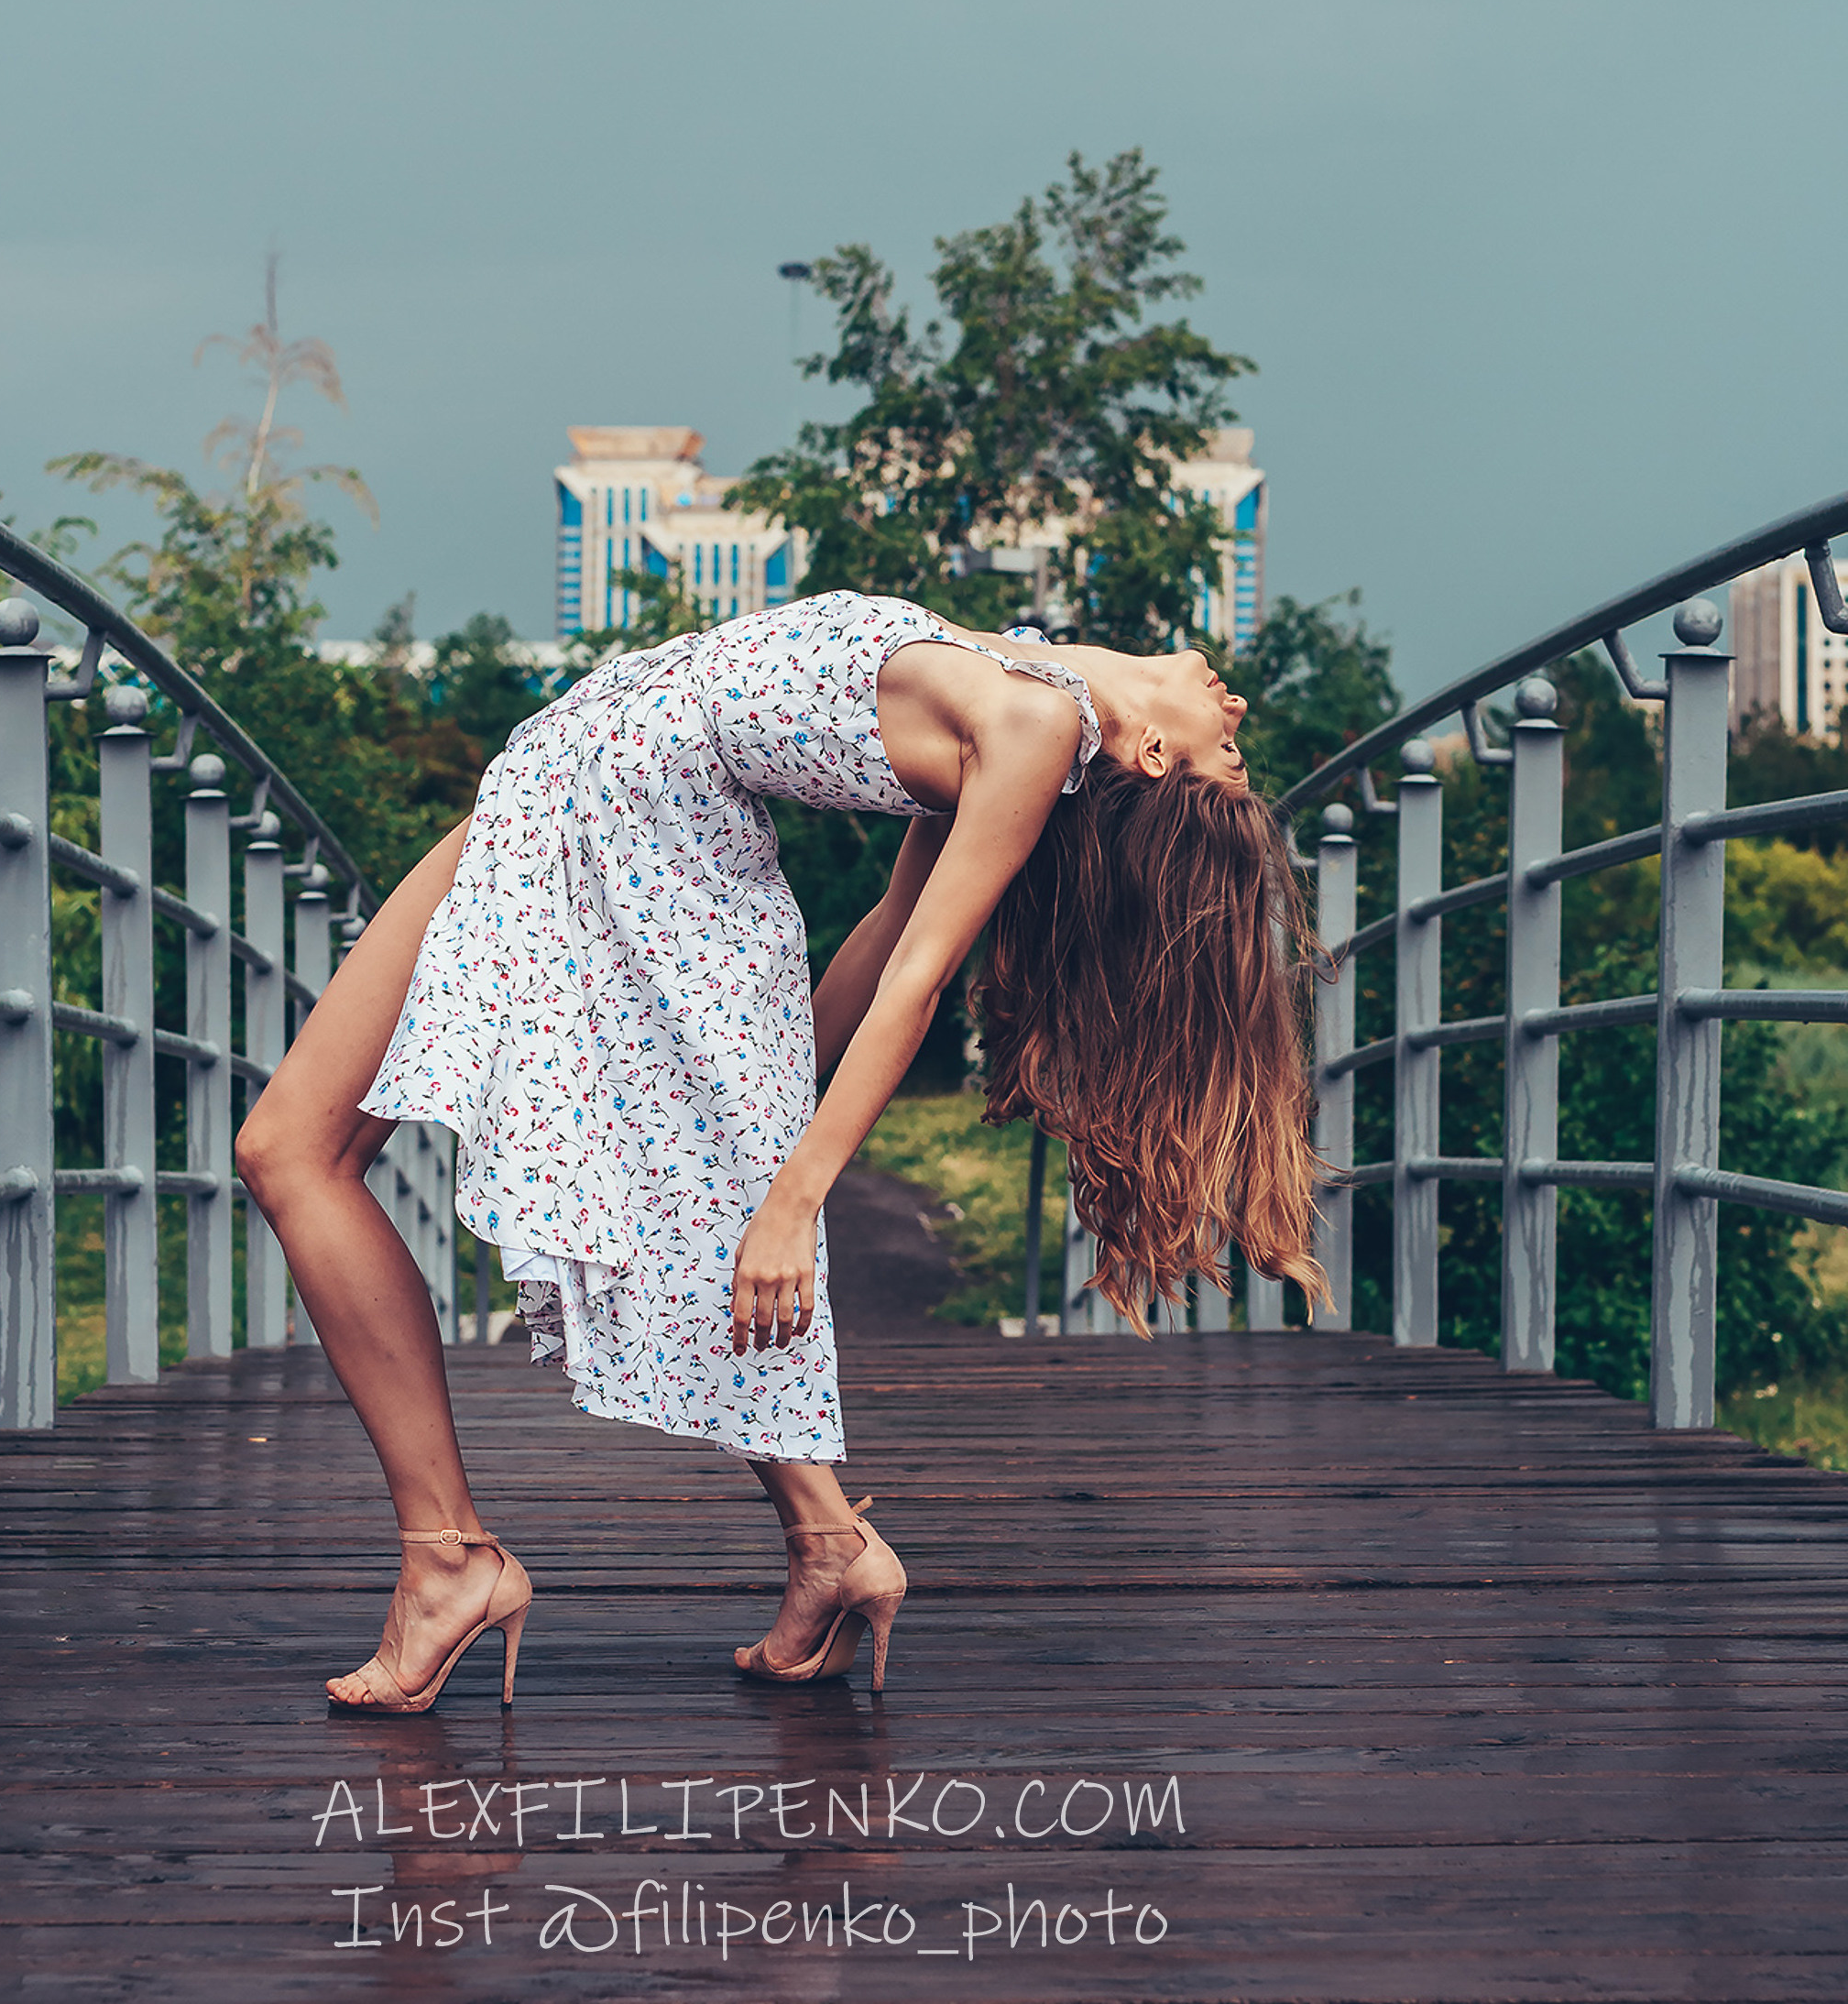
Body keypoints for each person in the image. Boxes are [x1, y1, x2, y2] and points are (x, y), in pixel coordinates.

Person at [235, 588, 1324, 1714]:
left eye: (1230, 747)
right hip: (601, 786)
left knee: (293, 1149)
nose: (1235, 702)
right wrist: (743, 1138)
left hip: (626, 829)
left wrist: (788, 1198)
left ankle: (450, 1561)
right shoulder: (1029, 682)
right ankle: (822, 1539)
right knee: (308, 1151)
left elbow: (917, 976)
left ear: (1148, 753)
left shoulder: (1037, 732)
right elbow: (884, 930)